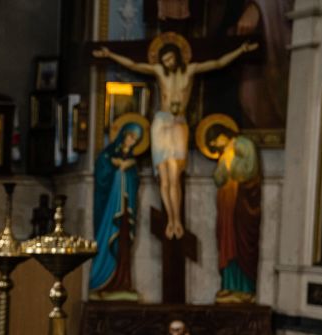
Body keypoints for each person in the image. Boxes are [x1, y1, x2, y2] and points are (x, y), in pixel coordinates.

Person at [93, 36, 257, 239]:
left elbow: (218, 63)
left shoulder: (190, 70)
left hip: (179, 123)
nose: (168, 63)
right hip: (161, 123)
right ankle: (169, 220)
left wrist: (240, 50)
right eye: (165, 60)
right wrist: (110, 55)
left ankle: (176, 220)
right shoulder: (160, 72)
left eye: (171, 59)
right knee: (164, 177)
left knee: (175, 176)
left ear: (178, 57)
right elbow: (134, 65)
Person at [206, 123, 261, 303]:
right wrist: (225, 162)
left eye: (216, 140)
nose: (217, 144)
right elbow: (218, 178)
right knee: (226, 242)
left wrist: (231, 161)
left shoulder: (243, 144)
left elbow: (249, 169)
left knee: (241, 243)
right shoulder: (225, 153)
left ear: (224, 134)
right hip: (227, 205)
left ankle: (245, 289)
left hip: (242, 203)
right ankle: (228, 285)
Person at [89, 122, 143, 300]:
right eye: (130, 137)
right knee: (108, 239)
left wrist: (129, 168)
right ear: (123, 135)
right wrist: (114, 164)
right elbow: (102, 175)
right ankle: (102, 281)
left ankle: (122, 282)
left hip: (125, 209)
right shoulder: (107, 155)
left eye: (136, 139)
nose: (132, 141)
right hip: (111, 210)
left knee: (123, 244)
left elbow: (135, 181)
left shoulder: (132, 160)